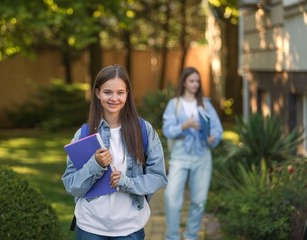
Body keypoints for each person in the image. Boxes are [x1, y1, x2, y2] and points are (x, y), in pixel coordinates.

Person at [62, 64, 168, 240]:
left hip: (129, 227)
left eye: (120, 92)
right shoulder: (83, 134)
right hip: (90, 226)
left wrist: (126, 182)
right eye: (107, 92)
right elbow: (71, 185)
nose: (114, 98)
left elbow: (158, 177)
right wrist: (94, 165)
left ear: (127, 94)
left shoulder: (144, 130)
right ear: (97, 93)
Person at [162, 67, 223, 240]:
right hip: (180, 156)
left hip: (202, 155)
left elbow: (218, 129)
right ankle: (172, 236)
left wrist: (213, 138)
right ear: (184, 82)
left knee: (199, 200)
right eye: (192, 81)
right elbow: (167, 130)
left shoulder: (206, 104)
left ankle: (191, 236)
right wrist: (185, 126)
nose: (195, 84)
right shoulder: (174, 104)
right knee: (171, 196)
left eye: (197, 81)